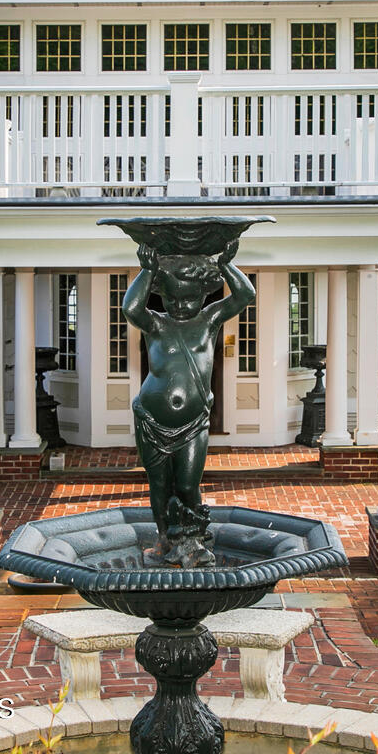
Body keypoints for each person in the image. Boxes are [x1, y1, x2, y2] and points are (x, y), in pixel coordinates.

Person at [122, 239, 255, 567]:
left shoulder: (209, 320)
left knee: (186, 483)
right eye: (173, 298)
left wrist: (225, 265)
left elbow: (245, 295)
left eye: (189, 298)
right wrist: (147, 271)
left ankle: (194, 536)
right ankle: (165, 537)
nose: (180, 305)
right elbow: (131, 309)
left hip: (194, 423)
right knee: (159, 484)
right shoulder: (156, 324)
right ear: (163, 296)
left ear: (204, 295)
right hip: (151, 420)